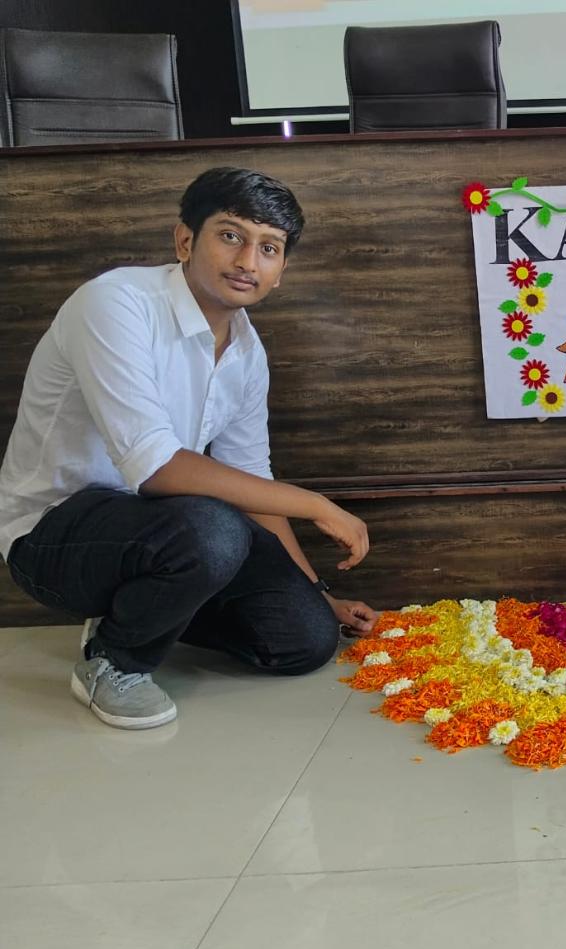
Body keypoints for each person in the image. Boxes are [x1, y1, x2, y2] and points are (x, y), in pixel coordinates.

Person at [0, 166, 378, 729]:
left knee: (303, 639)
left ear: (280, 271)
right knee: (213, 528)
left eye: (268, 248)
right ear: (184, 241)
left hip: (164, 534)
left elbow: (253, 482)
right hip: (52, 537)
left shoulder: (246, 352)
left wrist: (318, 594)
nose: (247, 261)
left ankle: (131, 611)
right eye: (230, 236)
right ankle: (114, 662)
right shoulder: (115, 302)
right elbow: (155, 467)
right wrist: (317, 504)